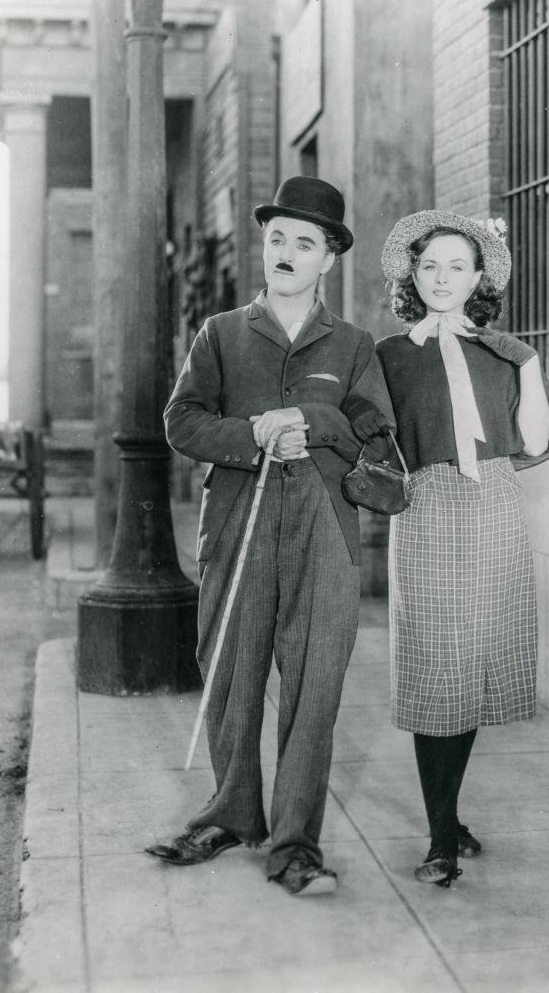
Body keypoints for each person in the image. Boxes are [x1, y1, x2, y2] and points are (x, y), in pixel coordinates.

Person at [146, 177, 394, 896]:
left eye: (305, 243)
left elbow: (377, 437)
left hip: (324, 532)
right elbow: (180, 421)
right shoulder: (220, 334)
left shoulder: (350, 345)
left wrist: (317, 423)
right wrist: (252, 433)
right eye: (278, 237)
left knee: (315, 688)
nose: (287, 251)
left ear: (328, 260)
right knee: (231, 674)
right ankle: (231, 813)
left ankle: (295, 845)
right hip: (237, 523)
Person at [376, 210, 549, 888]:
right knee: (438, 666)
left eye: (457, 266)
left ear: (478, 277)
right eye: (430, 265)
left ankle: (448, 815)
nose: (442, 277)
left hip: (493, 507)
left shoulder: (504, 352)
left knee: (474, 664)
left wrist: (529, 362)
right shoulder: (389, 355)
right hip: (426, 510)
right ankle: (441, 839)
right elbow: (373, 444)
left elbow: (539, 442)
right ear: (412, 273)